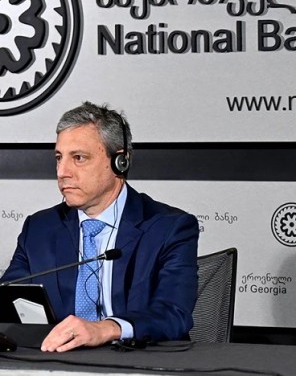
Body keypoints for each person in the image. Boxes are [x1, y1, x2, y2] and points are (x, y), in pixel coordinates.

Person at [0, 102, 199, 352]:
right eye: (59, 158)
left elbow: (173, 314)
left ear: (119, 162)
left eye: (79, 158)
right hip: (58, 361)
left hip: (137, 361)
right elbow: (9, 301)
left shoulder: (169, 228)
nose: (62, 172)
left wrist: (105, 329)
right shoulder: (39, 229)